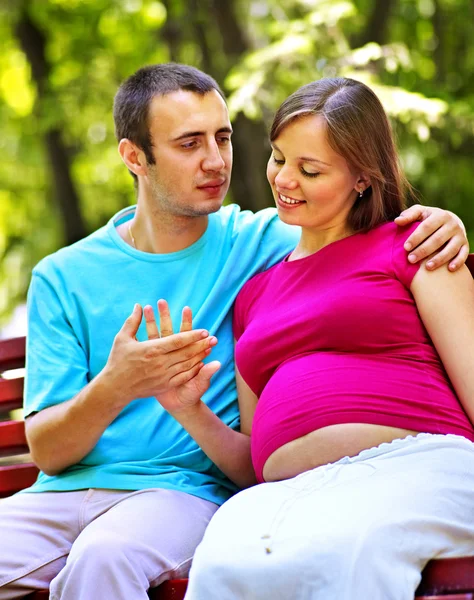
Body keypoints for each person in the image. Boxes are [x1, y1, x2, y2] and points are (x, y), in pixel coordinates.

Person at [0, 65, 468, 600]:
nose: (217, 161)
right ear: (135, 157)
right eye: (189, 143)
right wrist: (120, 384)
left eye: (222, 137)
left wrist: (442, 220)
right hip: (77, 495)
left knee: (106, 557)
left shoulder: (265, 238)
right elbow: (49, 451)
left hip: (186, 496)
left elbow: (354, 218)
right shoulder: (65, 277)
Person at [150, 77, 474, 600]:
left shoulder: (416, 246)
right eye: (279, 159)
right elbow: (257, 458)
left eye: (310, 170)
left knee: (343, 551)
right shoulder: (254, 294)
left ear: (363, 178)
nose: (284, 180)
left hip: (417, 467)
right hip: (285, 495)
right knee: (222, 562)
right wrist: (189, 410)